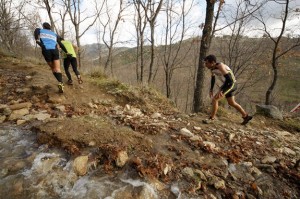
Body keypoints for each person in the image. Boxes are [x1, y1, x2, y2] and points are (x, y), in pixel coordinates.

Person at [203, 54, 252, 125]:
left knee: (215, 99)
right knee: (231, 103)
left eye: (207, 63)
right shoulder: (211, 68)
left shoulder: (220, 66)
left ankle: (212, 118)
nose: (205, 65)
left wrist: (221, 90)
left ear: (212, 62)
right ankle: (246, 116)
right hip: (228, 84)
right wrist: (211, 89)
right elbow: (213, 79)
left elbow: (229, 79)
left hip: (232, 84)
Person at [34, 22, 68, 93]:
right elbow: (61, 43)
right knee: (58, 68)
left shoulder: (39, 30)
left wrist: (39, 42)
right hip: (55, 50)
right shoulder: (54, 34)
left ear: (43, 26)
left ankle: (59, 81)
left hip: (46, 50)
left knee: (53, 68)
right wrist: (66, 52)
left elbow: (36, 36)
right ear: (50, 27)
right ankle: (60, 83)